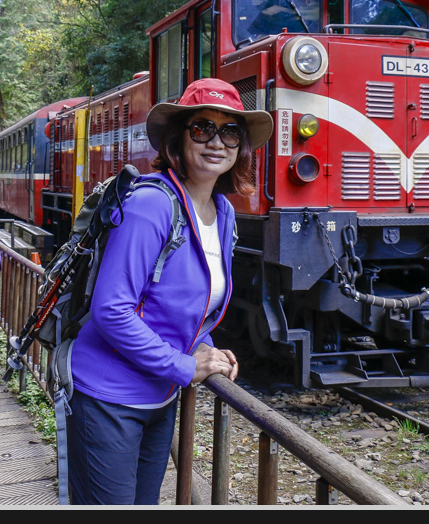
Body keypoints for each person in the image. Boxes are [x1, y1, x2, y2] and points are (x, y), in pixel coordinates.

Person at [65, 78, 273, 505]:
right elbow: (112, 310)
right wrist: (183, 365)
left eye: (230, 131)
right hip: (108, 396)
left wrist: (206, 350)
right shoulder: (152, 205)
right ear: (179, 138)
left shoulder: (224, 212)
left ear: (241, 147)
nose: (217, 141)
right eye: (202, 128)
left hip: (159, 393)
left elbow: (190, 304)